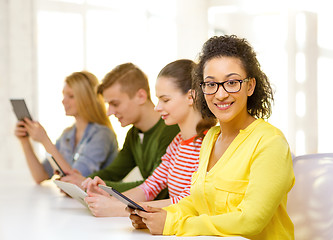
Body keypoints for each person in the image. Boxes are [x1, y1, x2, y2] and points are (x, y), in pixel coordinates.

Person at [130, 35, 295, 240]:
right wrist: (159, 216)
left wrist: (173, 223)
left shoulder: (270, 143)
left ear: (250, 86)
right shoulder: (211, 139)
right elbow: (198, 203)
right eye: (210, 84)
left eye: (232, 82)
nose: (220, 94)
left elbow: (251, 220)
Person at [82, 59, 217, 217]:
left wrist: (119, 209)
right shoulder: (178, 142)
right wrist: (112, 199)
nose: (157, 107)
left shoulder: (211, 143)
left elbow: (190, 201)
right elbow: (149, 187)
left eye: (165, 100)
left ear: (190, 97)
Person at [60, 63, 180, 198]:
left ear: (141, 96)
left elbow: (156, 187)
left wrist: (97, 186)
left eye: (115, 104)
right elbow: (114, 172)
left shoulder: (171, 130)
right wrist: (85, 181)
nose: (109, 112)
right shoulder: (133, 134)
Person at [14, 71, 118, 184]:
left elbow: (76, 181)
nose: (63, 101)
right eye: (64, 95)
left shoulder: (102, 135)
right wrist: (24, 141)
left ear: (87, 99)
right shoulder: (68, 134)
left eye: (71, 96)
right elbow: (41, 175)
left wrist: (44, 140)